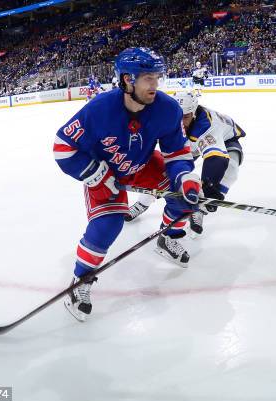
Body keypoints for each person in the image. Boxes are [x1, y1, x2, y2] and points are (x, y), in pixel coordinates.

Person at [54, 47, 201, 322]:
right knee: (109, 224)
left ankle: (168, 238)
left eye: (157, 77)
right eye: (148, 78)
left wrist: (185, 178)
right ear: (127, 79)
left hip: (143, 164)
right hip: (105, 173)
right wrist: (95, 175)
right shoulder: (99, 110)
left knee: (182, 198)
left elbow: (177, 154)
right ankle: (79, 282)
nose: (155, 84)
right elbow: (63, 148)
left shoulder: (168, 109)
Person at [126, 90, 245, 237]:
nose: (181, 122)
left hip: (226, 140)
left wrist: (209, 187)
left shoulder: (207, 126)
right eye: (178, 117)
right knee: (164, 171)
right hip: (192, 140)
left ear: (194, 113)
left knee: (231, 170)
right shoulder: (169, 117)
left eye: (186, 117)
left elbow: (216, 159)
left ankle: (201, 208)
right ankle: (143, 202)